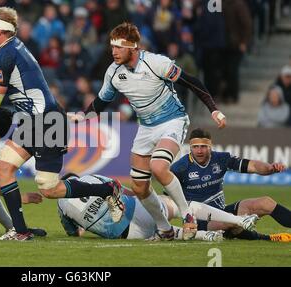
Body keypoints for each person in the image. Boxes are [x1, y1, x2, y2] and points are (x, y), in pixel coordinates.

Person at [0, 7, 123, 241]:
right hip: (33, 121)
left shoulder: (5, 55)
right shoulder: (7, 47)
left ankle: (108, 189)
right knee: (4, 169)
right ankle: (20, 230)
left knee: (49, 189)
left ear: (0, 30)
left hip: (46, 122)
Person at [71, 22, 227, 240]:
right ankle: (165, 229)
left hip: (173, 120)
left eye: (119, 47)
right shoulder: (114, 72)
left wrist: (214, 110)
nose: (113, 51)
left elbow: (192, 82)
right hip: (145, 127)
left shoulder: (156, 63)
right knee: (140, 186)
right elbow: (101, 102)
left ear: (134, 47)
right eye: (112, 46)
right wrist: (83, 116)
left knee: (158, 166)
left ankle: (187, 214)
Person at [57, 173, 268, 241]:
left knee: (169, 233)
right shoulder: (90, 177)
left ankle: (206, 236)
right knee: (182, 207)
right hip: (134, 208)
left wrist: (84, 226)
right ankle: (240, 220)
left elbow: (73, 233)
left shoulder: (61, 204)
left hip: (122, 233)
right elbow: (121, 189)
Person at [170, 128, 291, 241]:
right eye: (195, 147)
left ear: (210, 146)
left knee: (266, 202)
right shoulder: (180, 168)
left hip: (222, 211)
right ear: (190, 147)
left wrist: (269, 168)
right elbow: (169, 201)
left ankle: (234, 230)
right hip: (201, 221)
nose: (199, 151)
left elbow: (253, 165)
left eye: (203, 146)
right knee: (232, 222)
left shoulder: (221, 159)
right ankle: (265, 238)